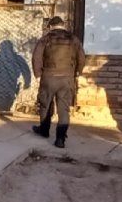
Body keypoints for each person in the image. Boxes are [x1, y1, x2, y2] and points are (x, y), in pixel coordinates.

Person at [31, 16, 86, 148]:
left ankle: (44, 131)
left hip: (49, 77)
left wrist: (38, 74)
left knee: (45, 105)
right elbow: (82, 57)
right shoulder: (73, 39)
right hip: (67, 78)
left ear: (50, 26)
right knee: (64, 109)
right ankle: (60, 139)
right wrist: (78, 72)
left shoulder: (45, 39)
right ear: (63, 25)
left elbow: (36, 57)